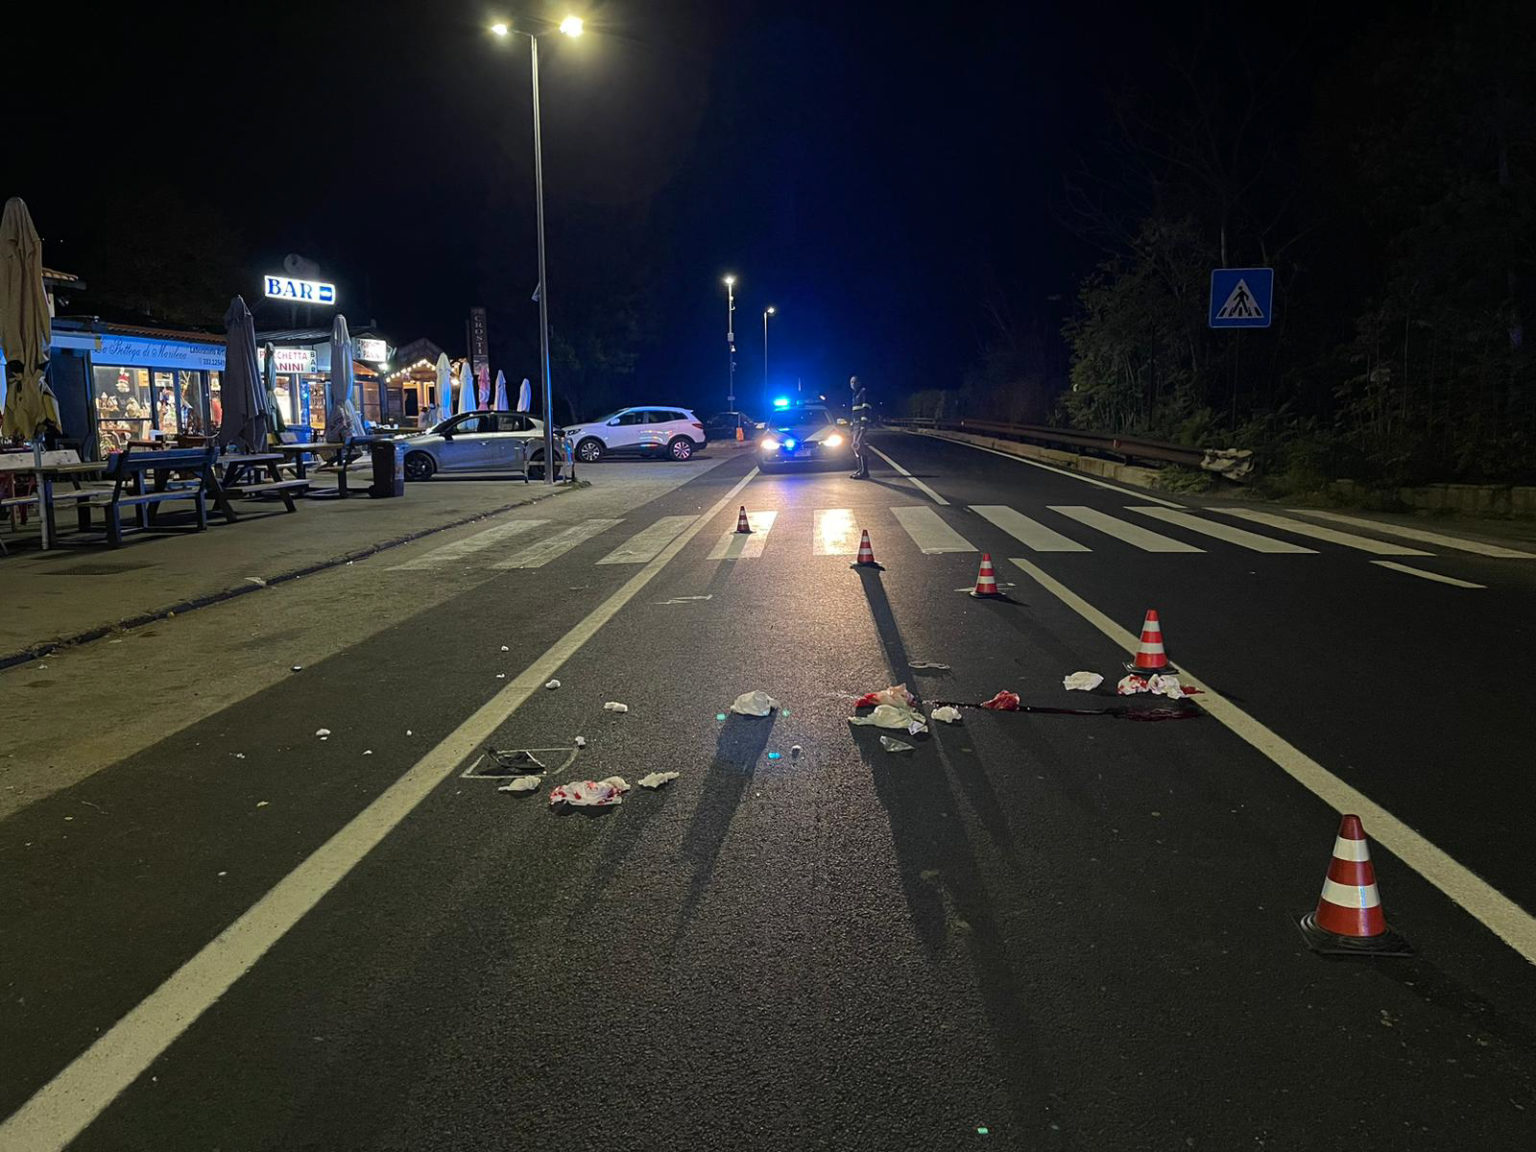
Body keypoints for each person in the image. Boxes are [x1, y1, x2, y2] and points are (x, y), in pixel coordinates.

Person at [849, 374, 871, 479]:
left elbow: (866, 409)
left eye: (854, 382)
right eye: (851, 382)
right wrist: (852, 424)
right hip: (855, 424)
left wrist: (863, 425)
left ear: (859, 383)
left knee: (859, 446)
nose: (853, 384)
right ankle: (860, 469)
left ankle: (864, 472)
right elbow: (854, 411)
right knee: (855, 447)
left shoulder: (863, 392)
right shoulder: (855, 394)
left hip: (860, 424)